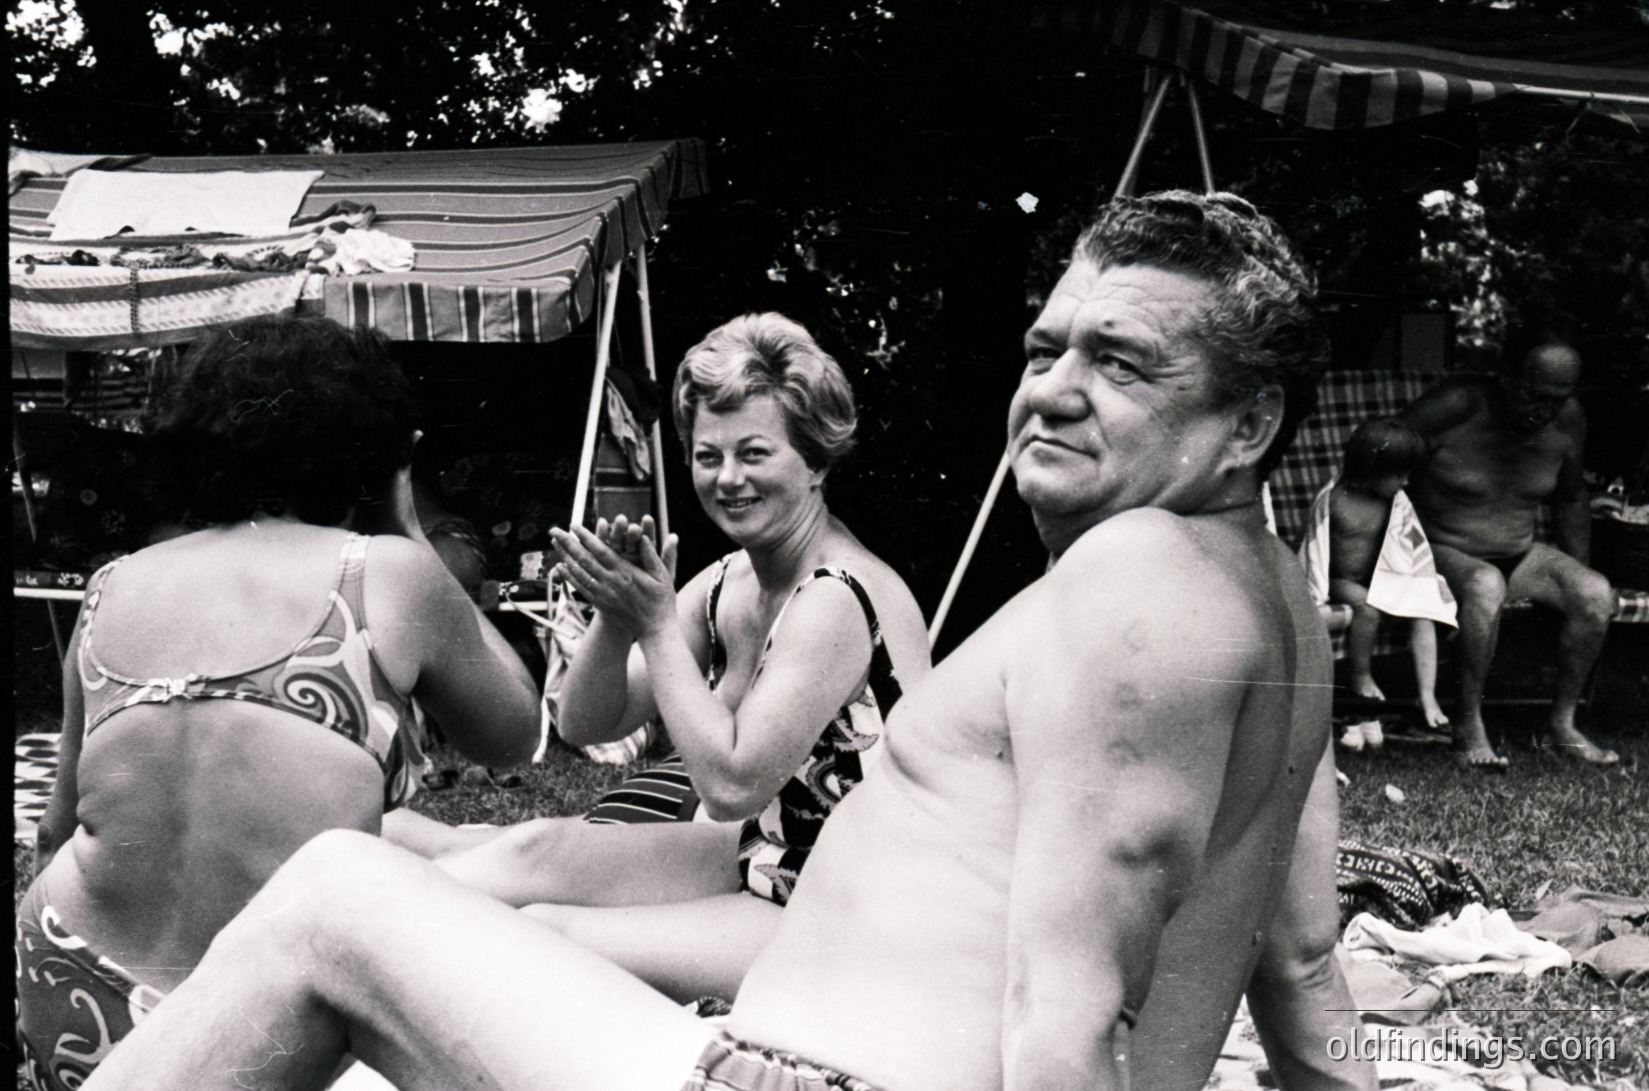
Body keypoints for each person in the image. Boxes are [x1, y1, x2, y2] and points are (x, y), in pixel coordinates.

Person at [82, 192, 1374, 1091]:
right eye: (1047, 346)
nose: (1052, 387)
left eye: (1122, 361)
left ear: (1248, 421)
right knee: (422, 869)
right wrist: (626, 617)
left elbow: (1066, 1009)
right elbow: (1304, 976)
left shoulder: (1133, 585)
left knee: (331, 893)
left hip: (812, 1075)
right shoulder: (1269, 616)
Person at [16, 316, 541, 1091]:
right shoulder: (382, 573)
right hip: (267, 1015)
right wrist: (410, 527)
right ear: (373, 450)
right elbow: (515, 733)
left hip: (73, 980)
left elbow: (58, 827)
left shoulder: (114, 584)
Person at [420, 313, 932, 1002]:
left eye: (754, 453)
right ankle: (350, 921)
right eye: (707, 454)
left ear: (813, 462)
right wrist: (616, 616)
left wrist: (657, 624)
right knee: (536, 847)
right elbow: (584, 722)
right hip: (770, 855)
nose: (727, 479)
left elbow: (729, 785)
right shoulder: (732, 579)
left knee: (549, 934)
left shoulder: (836, 596)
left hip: (860, 908)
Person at [1400, 337, 1619, 768]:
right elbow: (1380, 455)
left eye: (1559, 399)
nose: (1545, 411)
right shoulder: (1455, 405)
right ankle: (1468, 725)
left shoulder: (1567, 421)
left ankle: (1563, 726)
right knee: (1486, 583)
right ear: (1506, 379)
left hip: (1519, 553)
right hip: (1439, 551)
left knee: (1594, 592)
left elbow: (1572, 498)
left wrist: (1576, 568)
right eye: (1535, 396)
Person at [1325, 419, 1453, 729]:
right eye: (1399, 474)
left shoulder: (1394, 503)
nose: (1406, 482)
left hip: (1382, 576)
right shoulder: (1334, 500)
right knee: (1367, 608)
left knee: (1424, 605)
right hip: (1341, 580)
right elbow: (1312, 546)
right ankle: (1360, 674)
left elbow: (1405, 543)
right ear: (1370, 469)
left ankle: (1427, 694)